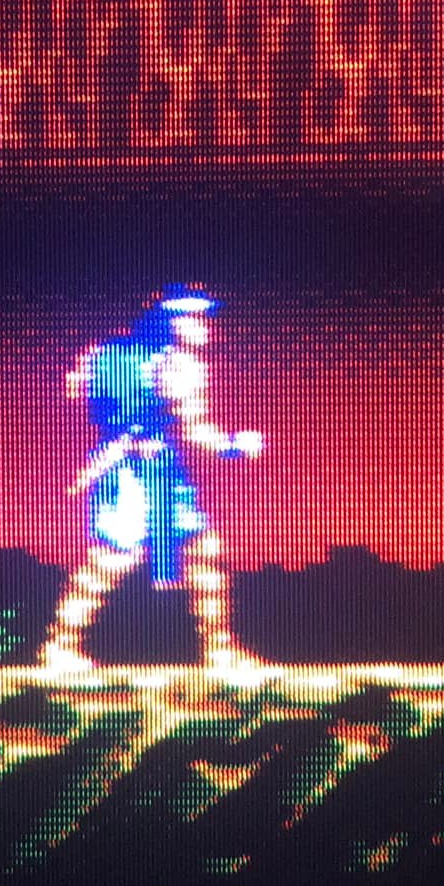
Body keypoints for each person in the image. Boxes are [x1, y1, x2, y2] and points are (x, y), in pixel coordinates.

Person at [42, 286, 264, 673]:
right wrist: (235, 445)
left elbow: (77, 389)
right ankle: (61, 646)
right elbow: (196, 432)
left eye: (202, 318)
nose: (203, 326)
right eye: (192, 318)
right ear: (170, 323)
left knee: (199, 550)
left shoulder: (117, 356)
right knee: (112, 558)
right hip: (135, 475)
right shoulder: (180, 367)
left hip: (148, 471)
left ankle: (220, 651)